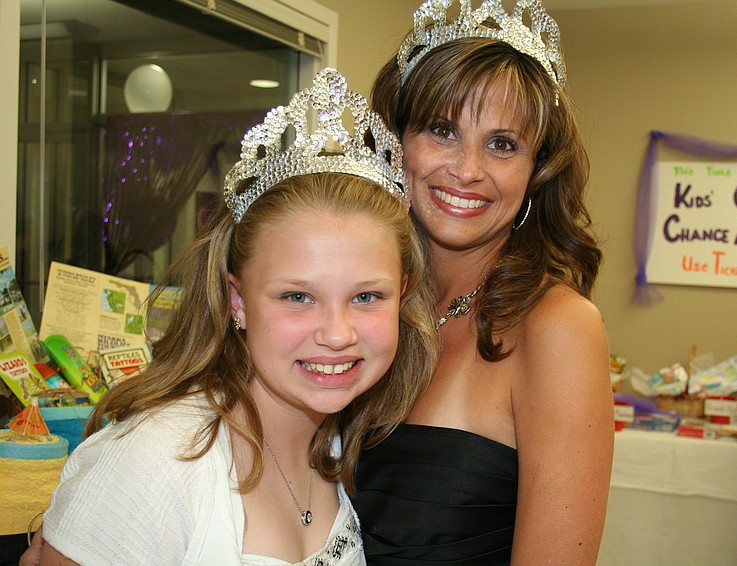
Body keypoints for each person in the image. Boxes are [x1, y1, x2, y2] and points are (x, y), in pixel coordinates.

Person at [31, 67, 437, 566]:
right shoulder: (156, 460)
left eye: (367, 297)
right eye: (296, 297)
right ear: (237, 301)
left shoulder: (339, 440)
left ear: (403, 296)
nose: (337, 334)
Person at [352, 0, 614, 564]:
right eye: (443, 130)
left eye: (502, 144)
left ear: (535, 171)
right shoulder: (360, 306)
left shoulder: (557, 328)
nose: (468, 170)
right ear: (395, 143)